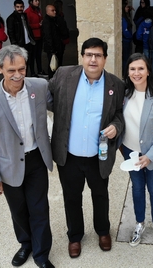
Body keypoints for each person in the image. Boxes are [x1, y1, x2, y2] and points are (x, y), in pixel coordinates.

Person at [0, 45, 55, 268]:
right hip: (9, 165)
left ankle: (41, 255)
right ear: (0, 68)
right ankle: (25, 244)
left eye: (22, 69)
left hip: (36, 159)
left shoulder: (39, 86)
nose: (18, 75)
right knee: (18, 210)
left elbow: (61, 106)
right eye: (11, 70)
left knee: (39, 209)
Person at [48, 37, 125, 258]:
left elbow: (119, 114)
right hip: (69, 154)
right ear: (82, 57)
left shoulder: (116, 85)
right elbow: (43, 93)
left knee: (100, 195)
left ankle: (103, 231)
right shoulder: (64, 75)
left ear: (105, 59)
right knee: (71, 197)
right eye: (89, 54)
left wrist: (116, 126)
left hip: (98, 155)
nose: (93, 60)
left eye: (98, 55)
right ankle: (75, 236)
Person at [120, 53, 153, 248]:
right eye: (132, 69)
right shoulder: (124, 94)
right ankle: (139, 223)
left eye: (141, 68)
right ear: (128, 72)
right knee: (137, 188)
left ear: (148, 71)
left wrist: (150, 156)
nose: (137, 73)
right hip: (130, 152)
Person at [42, 4, 68, 78]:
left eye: (55, 10)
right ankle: (52, 78)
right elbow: (48, 36)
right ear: (47, 12)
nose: (54, 12)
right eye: (52, 10)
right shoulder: (47, 22)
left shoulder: (55, 19)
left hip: (58, 45)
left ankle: (57, 77)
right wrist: (52, 49)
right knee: (53, 64)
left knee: (58, 63)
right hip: (52, 47)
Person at [25, 0, 44, 76]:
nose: (38, 2)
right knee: (32, 56)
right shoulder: (28, 12)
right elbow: (28, 25)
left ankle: (40, 70)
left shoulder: (38, 10)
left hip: (39, 35)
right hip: (33, 37)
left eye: (38, 0)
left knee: (39, 54)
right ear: (31, 2)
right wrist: (38, 25)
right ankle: (32, 72)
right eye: (36, 1)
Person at [54, 0, 70, 65]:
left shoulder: (60, 16)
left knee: (60, 56)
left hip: (61, 38)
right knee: (59, 56)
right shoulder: (58, 17)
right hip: (60, 38)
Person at [122, 0, 134, 70]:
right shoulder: (123, 19)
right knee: (126, 57)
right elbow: (125, 31)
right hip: (126, 40)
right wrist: (130, 36)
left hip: (127, 39)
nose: (128, 8)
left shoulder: (126, 16)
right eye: (126, 7)